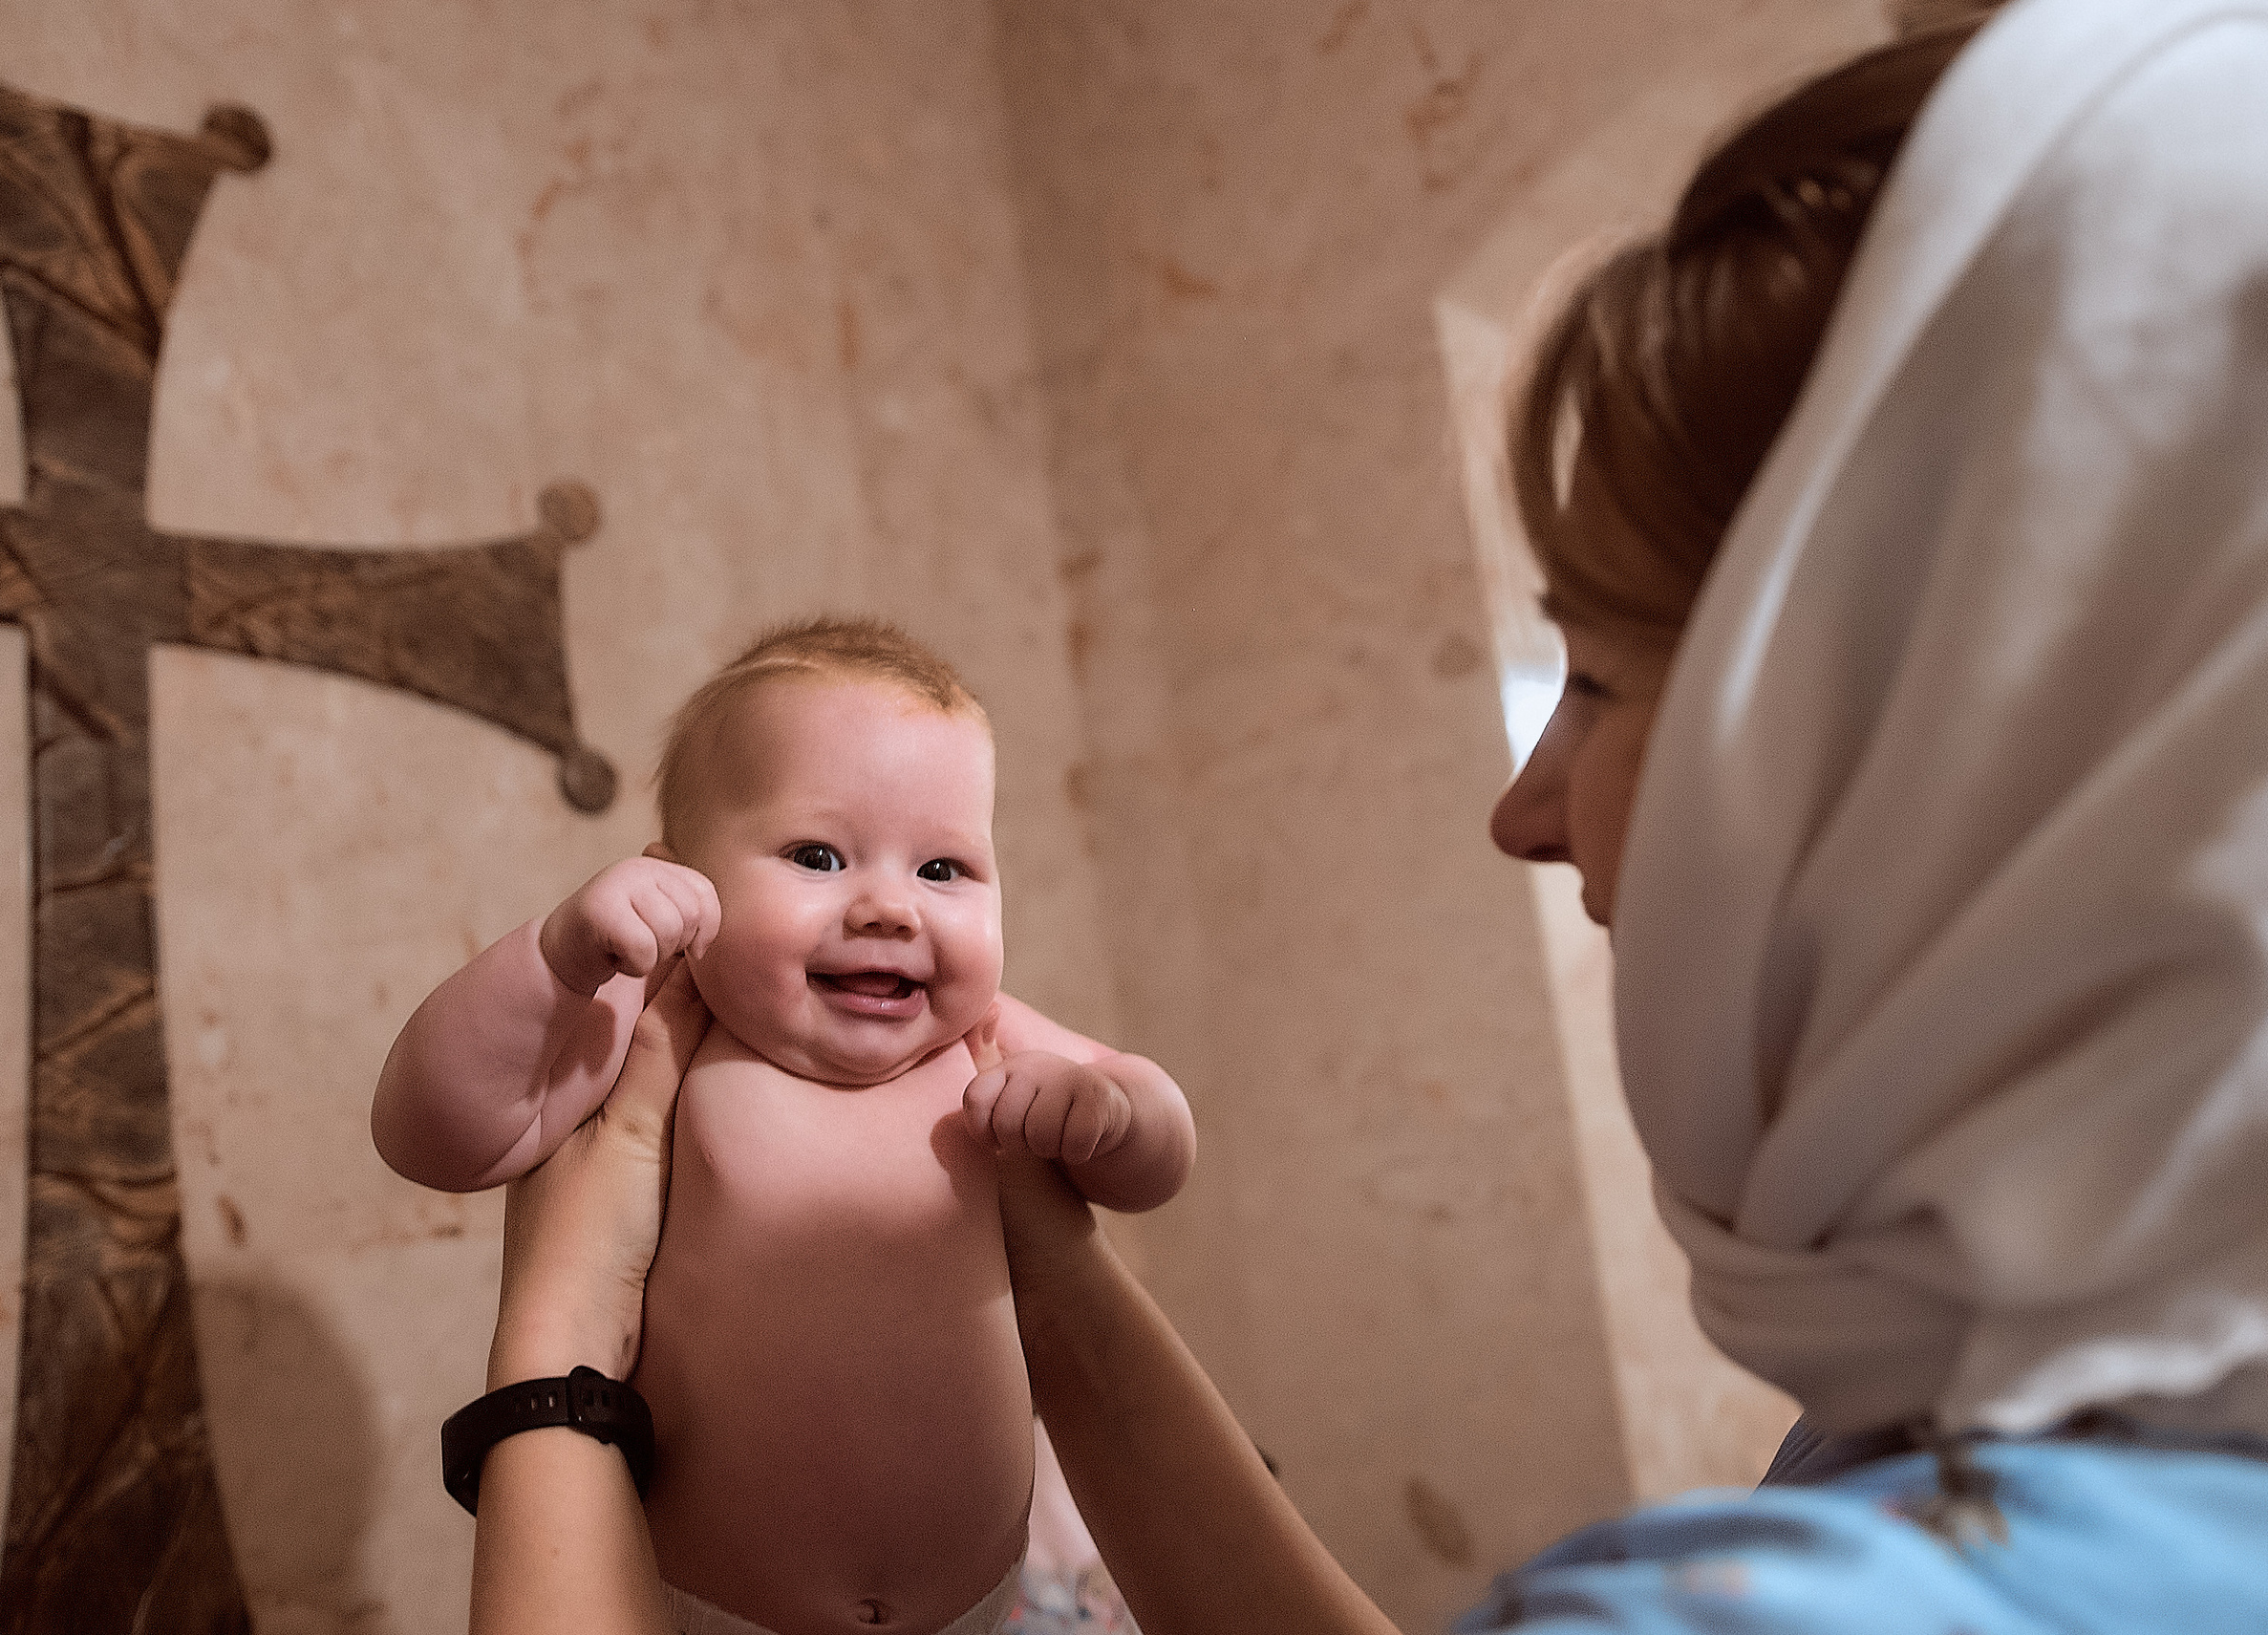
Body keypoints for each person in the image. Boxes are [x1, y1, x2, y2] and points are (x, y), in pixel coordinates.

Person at [454, 0, 2268, 1629]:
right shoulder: (2017, 1435)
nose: (1523, 809)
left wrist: (553, 1344)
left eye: (1611, 684)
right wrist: (1053, 1277)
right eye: (820, 854)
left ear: (1966, 773)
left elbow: (1142, 1130)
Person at [374, 618, 1193, 1635]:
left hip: (984, 1603)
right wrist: (559, 959)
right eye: (818, 854)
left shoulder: (984, 1039)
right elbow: (434, 1134)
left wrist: (1114, 1112)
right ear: (681, 883)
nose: (891, 906)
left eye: (943, 869)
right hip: (714, 1606)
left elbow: (1156, 1155)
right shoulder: (668, 1028)